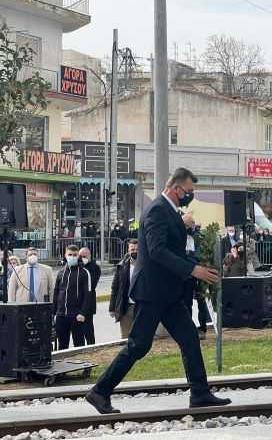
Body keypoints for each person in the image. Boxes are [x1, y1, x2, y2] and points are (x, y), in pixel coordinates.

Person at [86, 167, 230, 414]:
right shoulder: (156, 211)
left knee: (189, 339)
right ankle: (100, 391)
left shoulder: (169, 211)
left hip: (168, 293)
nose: (190, 196)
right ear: (176, 189)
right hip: (153, 292)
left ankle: (200, 393)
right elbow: (157, 251)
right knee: (138, 346)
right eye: (188, 191)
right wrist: (192, 270)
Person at [53, 245, 93, 350]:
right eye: (69, 254)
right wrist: (54, 313)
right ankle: (62, 366)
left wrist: (83, 313)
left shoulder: (84, 273)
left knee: (79, 346)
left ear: (78, 256)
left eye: (74, 255)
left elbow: (88, 296)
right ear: (65, 255)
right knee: (62, 346)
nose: (72, 257)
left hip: (77, 316)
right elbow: (56, 293)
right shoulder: (61, 272)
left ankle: (82, 366)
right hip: (61, 315)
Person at [109, 239, 138, 339]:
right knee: (126, 339)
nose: (134, 251)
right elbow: (115, 288)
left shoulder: (146, 266)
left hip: (142, 307)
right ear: (128, 250)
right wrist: (112, 308)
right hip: (126, 308)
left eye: (137, 249)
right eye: (132, 249)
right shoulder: (122, 266)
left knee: (142, 338)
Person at [79, 247, 101, 345]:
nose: (82, 258)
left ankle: (91, 346)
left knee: (88, 330)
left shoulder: (94, 267)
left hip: (88, 304)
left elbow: (91, 285)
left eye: (84, 256)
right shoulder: (78, 266)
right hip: (77, 303)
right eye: (80, 256)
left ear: (89, 256)